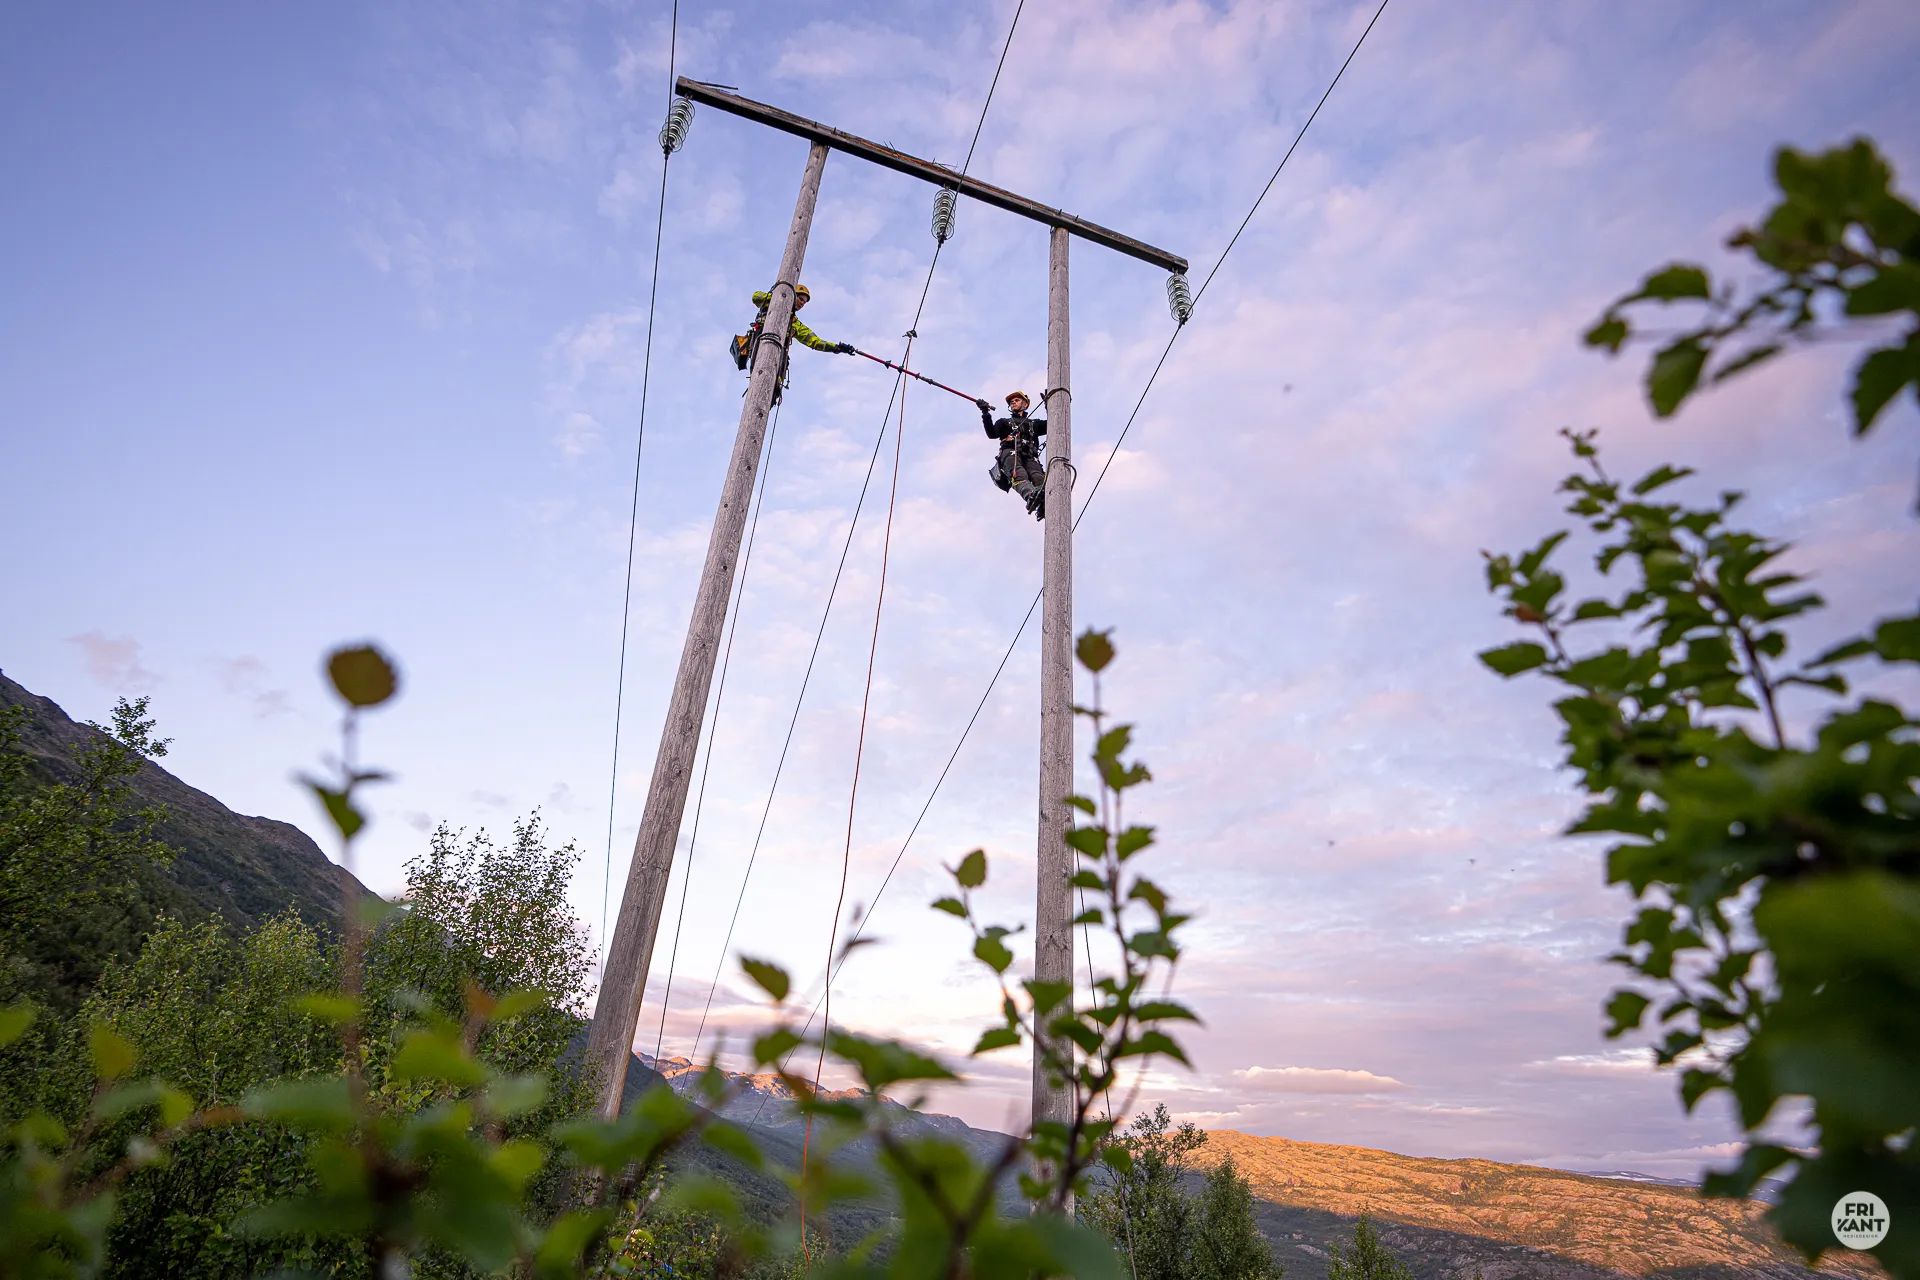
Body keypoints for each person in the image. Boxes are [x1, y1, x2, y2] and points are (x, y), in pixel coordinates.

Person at [730, 283, 854, 399]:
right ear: (793, 295)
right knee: (760, 376)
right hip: (761, 343)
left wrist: (836, 348)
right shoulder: (772, 302)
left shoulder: (795, 323)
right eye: (800, 299)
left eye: (804, 303)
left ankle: (772, 391)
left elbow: (814, 341)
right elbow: (755, 297)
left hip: (779, 354)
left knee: (774, 387)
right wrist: (780, 297)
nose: (802, 304)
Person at [978, 390, 1047, 520]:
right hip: (1010, 454)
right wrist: (985, 413)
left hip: (1030, 456)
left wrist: (1049, 405)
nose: (1013, 403)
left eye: (1017, 400)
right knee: (1019, 473)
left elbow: (1053, 425)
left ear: (1025, 404)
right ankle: (1030, 495)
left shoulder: (1034, 424)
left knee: (1037, 477)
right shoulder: (1004, 423)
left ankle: (1044, 502)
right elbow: (992, 433)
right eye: (1011, 402)